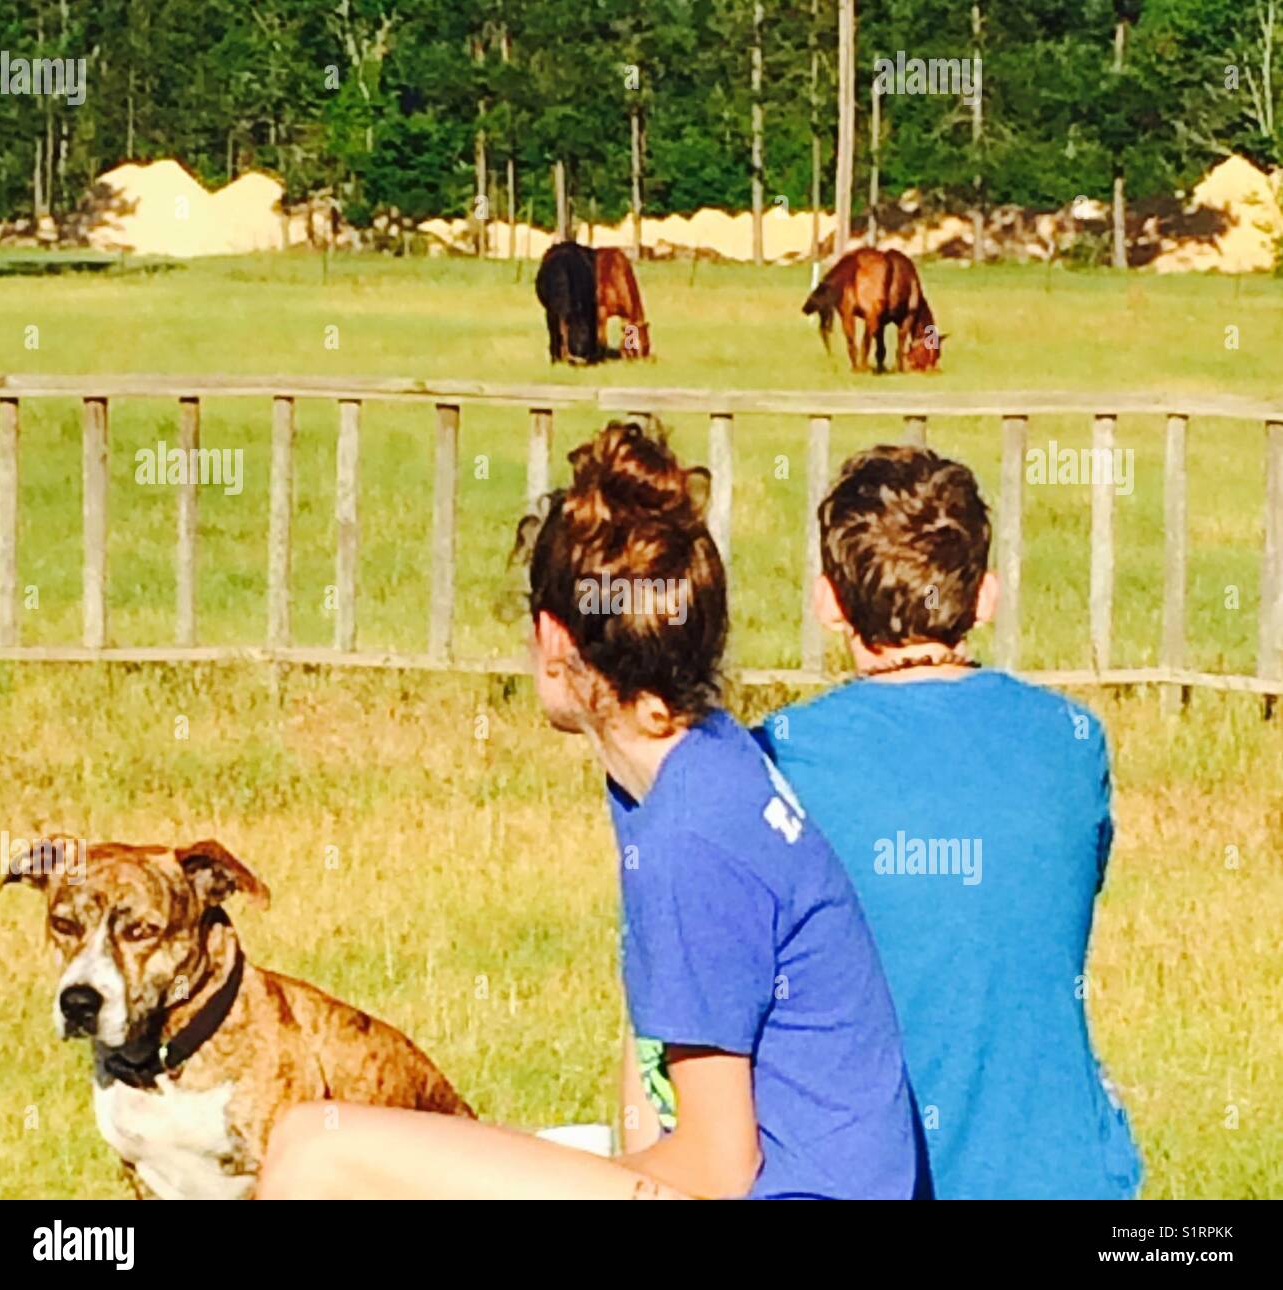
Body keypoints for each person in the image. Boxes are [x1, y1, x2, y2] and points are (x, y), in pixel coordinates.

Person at [258, 422, 926, 1200]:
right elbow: (666, 1079)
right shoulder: (699, 764)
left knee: (316, 1150)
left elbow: (717, 1165)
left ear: (552, 638)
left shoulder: (692, 830)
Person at [758, 444, 1143, 1200]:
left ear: (828, 601)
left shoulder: (777, 761)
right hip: (1064, 1175)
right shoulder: (1070, 742)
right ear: (986, 596)